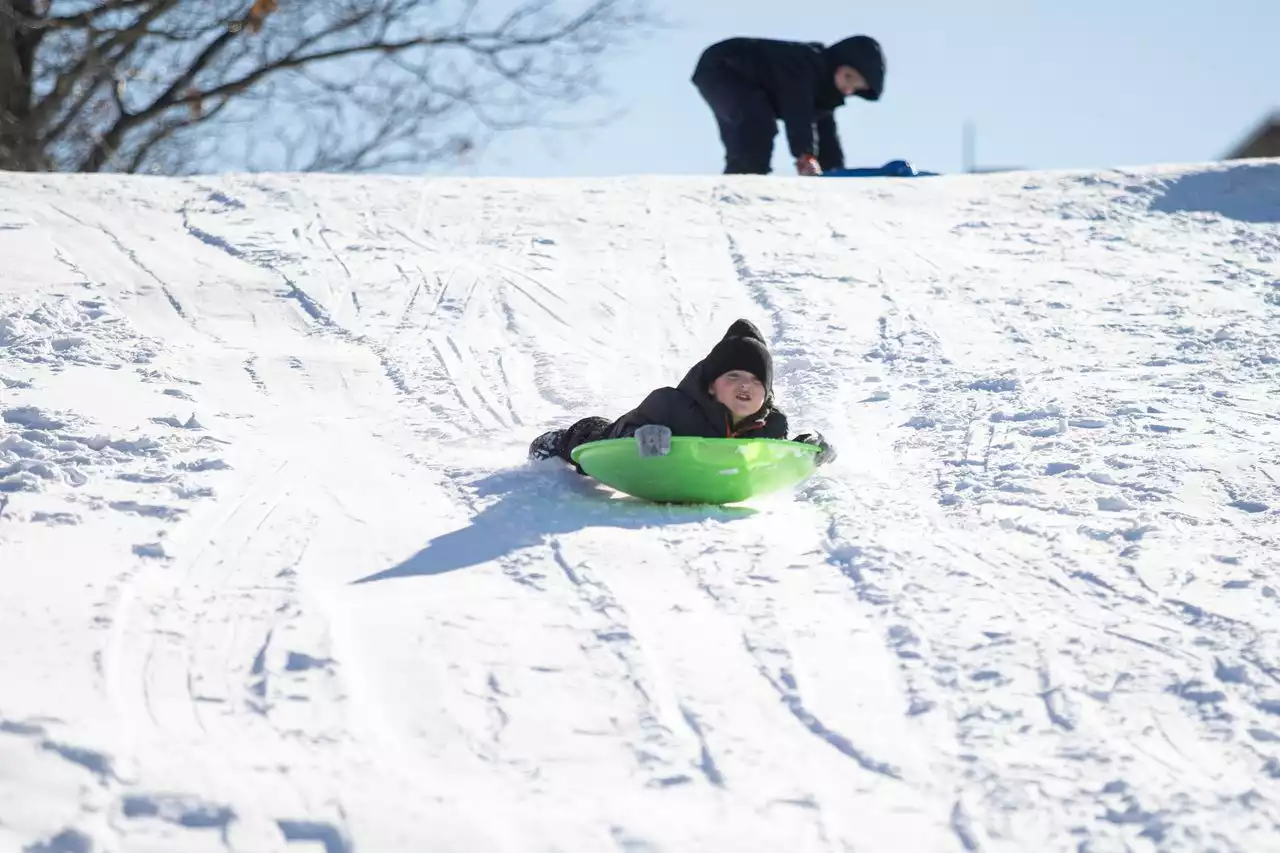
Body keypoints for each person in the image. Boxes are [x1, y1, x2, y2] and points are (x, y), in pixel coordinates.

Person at [528, 319, 836, 469]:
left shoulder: (772, 424)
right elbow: (622, 435)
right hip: (628, 445)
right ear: (712, 385)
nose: (746, 385)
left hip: (707, 475)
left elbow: (776, 458)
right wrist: (639, 436)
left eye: (756, 381)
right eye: (734, 376)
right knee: (595, 434)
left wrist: (808, 450)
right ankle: (559, 440)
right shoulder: (671, 404)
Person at [691, 35, 885, 176]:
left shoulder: (824, 96)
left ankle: (739, 181)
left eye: (856, 87)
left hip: (742, 80)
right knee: (756, 120)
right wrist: (805, 155)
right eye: (848, 77)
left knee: (749, 131)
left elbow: (825, 133)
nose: (848, 88)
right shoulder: (805, 63)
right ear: (836, 63)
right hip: (723, 65)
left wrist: (834, 171)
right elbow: (797, 109)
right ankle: (746, 184)